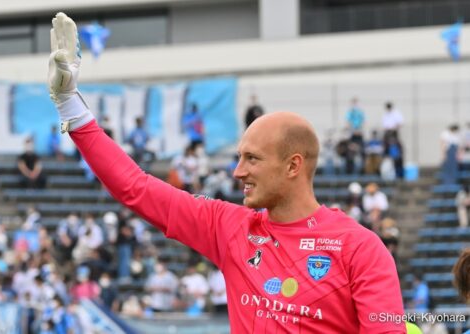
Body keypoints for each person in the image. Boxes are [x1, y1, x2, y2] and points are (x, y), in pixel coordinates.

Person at [48, 12, 406, 332]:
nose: (237, 172)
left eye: (252, 159)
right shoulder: (229, 228)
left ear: (293, 165)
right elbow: (135, 187)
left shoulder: (361, 249)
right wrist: (70, 106)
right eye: (239, 158)